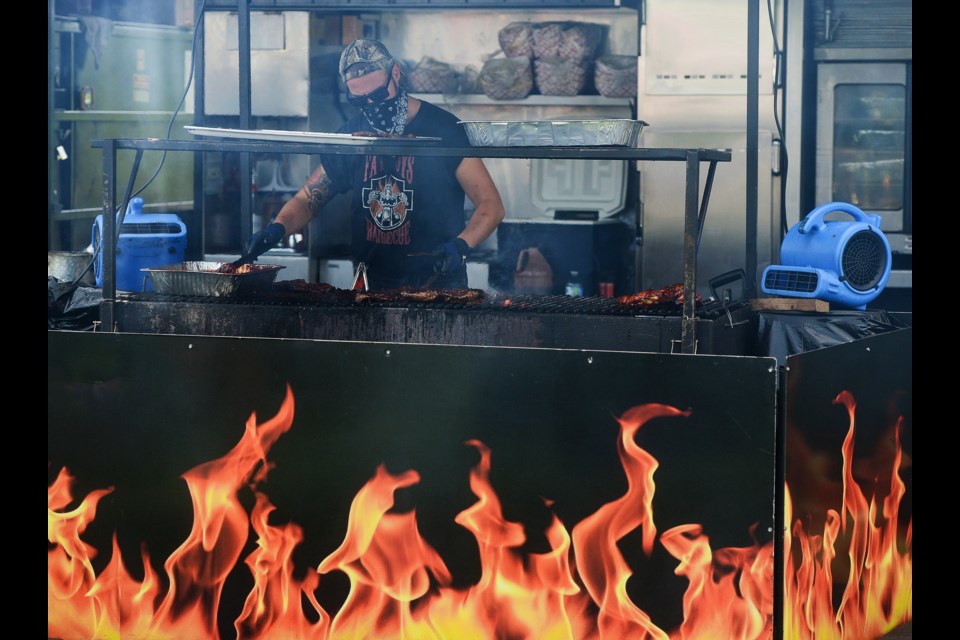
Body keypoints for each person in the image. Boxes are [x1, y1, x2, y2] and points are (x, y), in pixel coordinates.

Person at [243, 38, 505, 290]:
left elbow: (491, 204)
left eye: (379, 93)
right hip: (371, 285)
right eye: (360, 99)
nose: (372, 103)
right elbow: (308, 199)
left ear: (396, 73)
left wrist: (460, 246)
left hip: (439, 280)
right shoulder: (353, 137)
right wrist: (277, 228)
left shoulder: (443, 129)